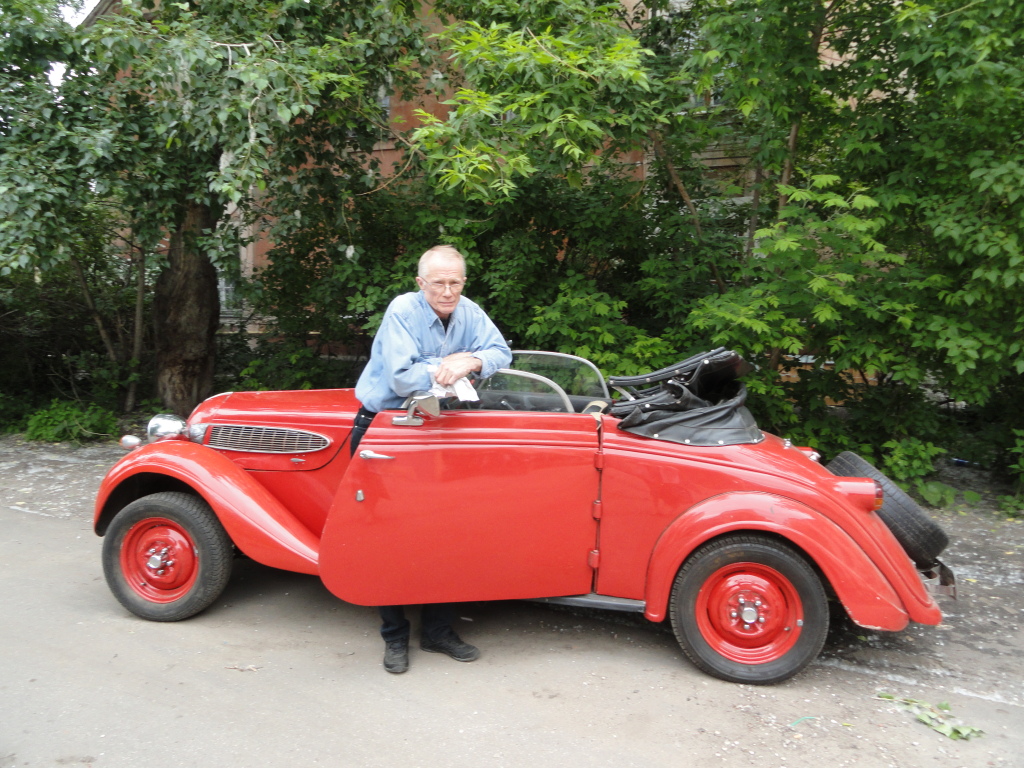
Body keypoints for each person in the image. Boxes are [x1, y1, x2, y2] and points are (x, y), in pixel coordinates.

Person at [351, 244, 512, 674]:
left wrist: (472, 359)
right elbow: (402, 378)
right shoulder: (402, 311)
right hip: (387, 427)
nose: (447, 291)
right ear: (420, 282)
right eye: (438, 283)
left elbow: (501, 352)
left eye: (455, 282)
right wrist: (449, 364)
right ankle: (394, 636)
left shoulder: (469, 311)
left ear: (463, 282)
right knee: (387, 536)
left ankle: (438, 632)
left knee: (448, 531)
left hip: (441, 427)